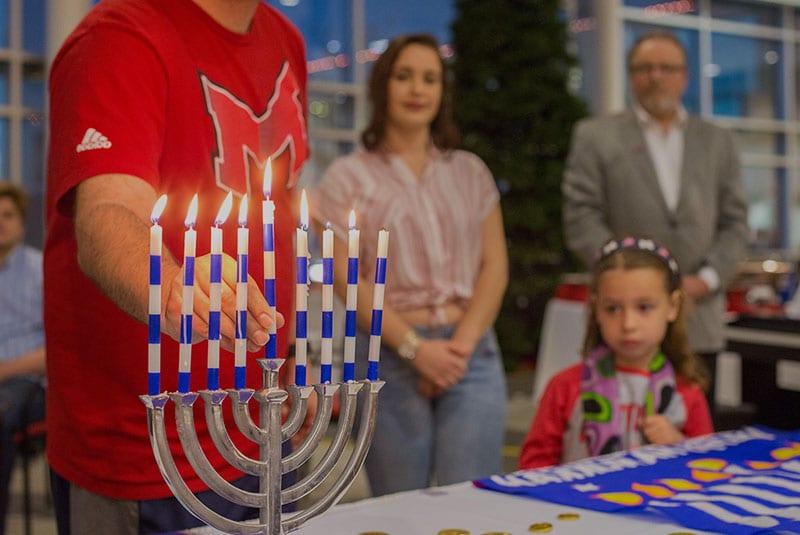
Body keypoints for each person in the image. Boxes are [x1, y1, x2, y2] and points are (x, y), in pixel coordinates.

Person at [44, 1, 309, 532]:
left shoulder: (287, 40)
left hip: (265, 428)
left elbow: (279, 213)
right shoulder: (121, 35)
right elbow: (107, 215)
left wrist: (290, 376)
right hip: (150, 448)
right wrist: (175, 289)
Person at [312, 33, 508, 496]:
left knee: (473, 505)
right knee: (399, 508)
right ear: (383, 87)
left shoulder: (469, 171)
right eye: (404, 77)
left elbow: (495, 268)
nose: (417, 89)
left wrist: (456, 351)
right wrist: (418, 350)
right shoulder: (346, 178)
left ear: (443, 92)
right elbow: (347, 280)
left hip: (470, 353)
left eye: (429, 78)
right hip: (387, 354)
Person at [562, 31, 748, 407]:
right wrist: (631, 282)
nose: (656, 76)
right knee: (619, 439)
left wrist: (706, 280)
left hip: (698, 320)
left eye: (667, 68)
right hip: (624, 324)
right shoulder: (596, 136)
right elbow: (581, 217)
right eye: (645, 68)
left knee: (694, 443)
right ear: (631, 76)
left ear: (685, 76)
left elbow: (736, 223)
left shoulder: (717, 140)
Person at [518, 238, 713, 469]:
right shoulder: (564, 387)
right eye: (613, 309)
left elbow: (707, 470)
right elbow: (532, 469)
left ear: (672, 306)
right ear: (596, 309)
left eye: (644, 307)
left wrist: (679, 444)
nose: (628, 323)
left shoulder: (688, 392)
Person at [0, 183, 45, 535]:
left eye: (8, 215)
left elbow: (53, 352)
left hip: (29, 384)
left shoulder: (39, 270)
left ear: (20, 222)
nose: (1, 223)